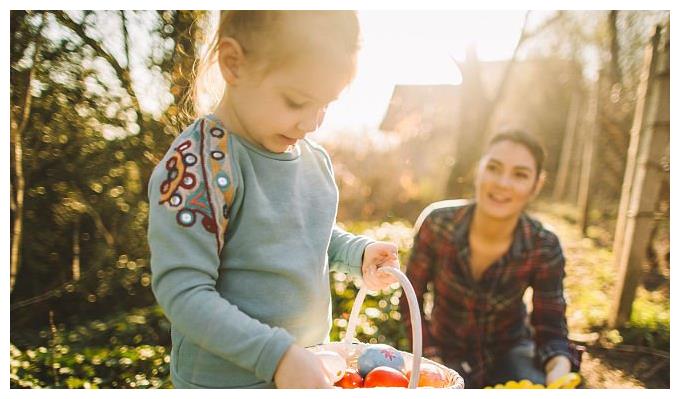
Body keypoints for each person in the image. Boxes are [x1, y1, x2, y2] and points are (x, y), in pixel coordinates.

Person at [147, 11, 399, 389]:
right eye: (297, 101)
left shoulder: (314, 159)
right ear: (233, 64)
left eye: (326, 104)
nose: (313, 122)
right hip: (224, 384)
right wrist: (277, 356)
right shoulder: (197, 165)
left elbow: (308, 233)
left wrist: (356, 253)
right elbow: (184, 294)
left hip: (307, 372)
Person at [401, 131, 581, 388]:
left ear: (536, 185)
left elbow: (550, 326)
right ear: (479, 169)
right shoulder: (437, 224)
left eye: (520, 174)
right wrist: (430, 358)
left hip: (510, 352)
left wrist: (559, 369)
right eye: (494, 168)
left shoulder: (544, 245)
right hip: (444, 352)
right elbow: (411, 299)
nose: (503, 183)